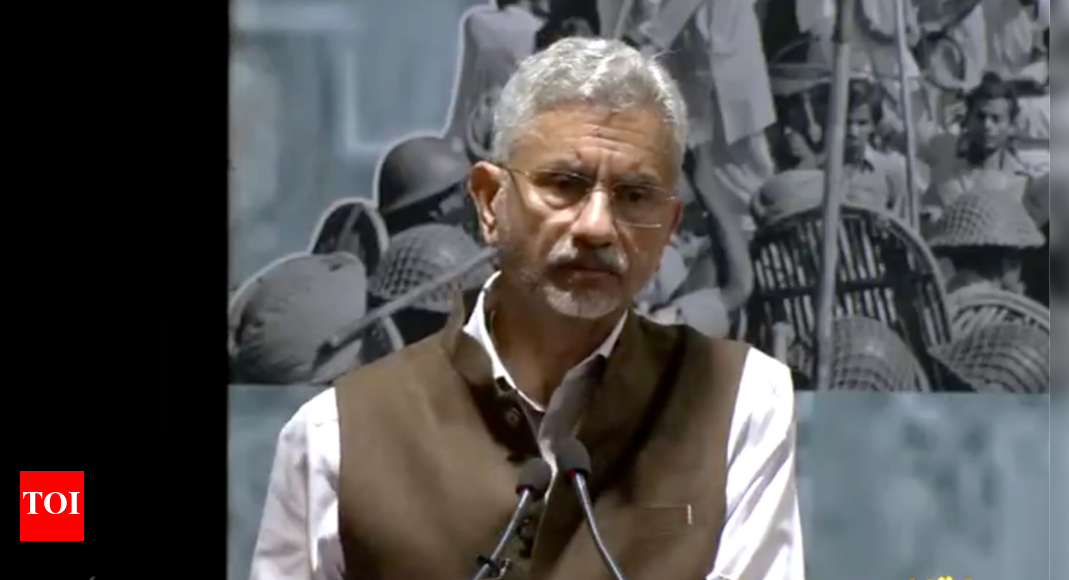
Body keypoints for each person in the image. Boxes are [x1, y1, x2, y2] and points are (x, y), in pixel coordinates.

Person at [249, 37, 803, 580]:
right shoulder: (335, 436)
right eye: (563, 185)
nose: (596, 227)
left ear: (667, 228)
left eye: (634, 196)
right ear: (490, 204)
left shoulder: (741, 406)